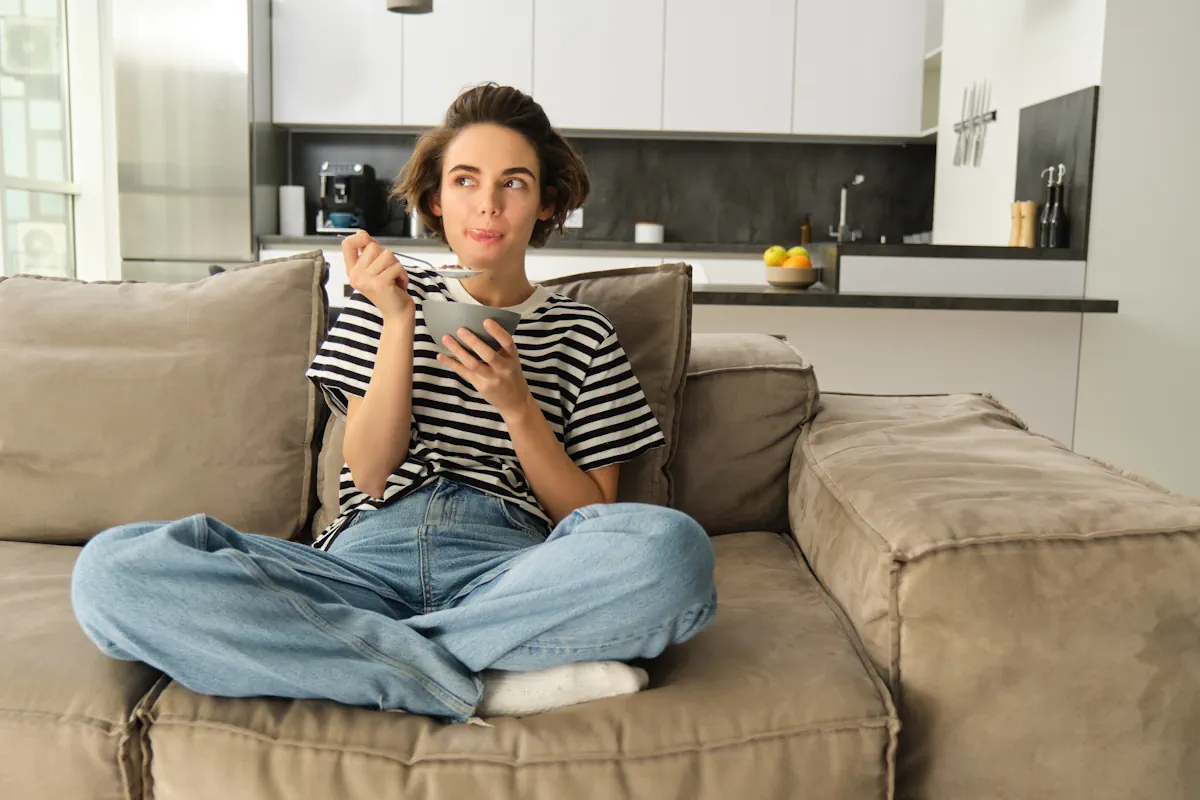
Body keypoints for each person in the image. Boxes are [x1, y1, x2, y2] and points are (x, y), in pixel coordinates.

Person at [70, 83, 716, 724]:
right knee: (112, 571)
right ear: (436, 198)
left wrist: (518, 408)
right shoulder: (381, 299)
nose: (487, 205)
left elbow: (590, 514)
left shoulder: (584, 334)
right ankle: (482, 680)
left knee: (672, 552)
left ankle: (368, 662)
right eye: (466, 180)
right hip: (359, 567)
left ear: (547, 202)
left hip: (512, 571)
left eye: (513, 183)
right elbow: (372, 473)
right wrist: (399, 323)